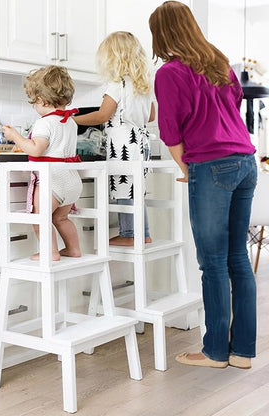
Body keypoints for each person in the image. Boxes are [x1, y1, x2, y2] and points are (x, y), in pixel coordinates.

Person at [150, 1, 257, 369]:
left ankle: (214, 351)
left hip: (211, 164)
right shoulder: (220, 64)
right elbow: (234, 109)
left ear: (161, 34)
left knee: (212, 263)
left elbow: (170, 131)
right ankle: (242, 351)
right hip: (245, 161)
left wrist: (187, 169)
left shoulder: (170, 73)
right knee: (238, 259)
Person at [74, 31, 156, 247]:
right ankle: (144, 233)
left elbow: (102, 115)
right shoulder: (143, 85)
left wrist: (72, 120)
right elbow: (152, 116)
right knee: (136, 189)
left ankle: (129, 234)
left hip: (122, 141)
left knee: (125, 189)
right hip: (140, 141)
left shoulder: (116, 84)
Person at [3, 65, 82, 262]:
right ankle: (73, 249)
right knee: (61, 218)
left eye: (34, 102)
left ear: (42, 99)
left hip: (51, 181)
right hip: (71, 182)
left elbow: (38, 149)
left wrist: (15, 137)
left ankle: (51, 252)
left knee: (40, 218)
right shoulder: (70, 121)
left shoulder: (44, 122)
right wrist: (24, 145)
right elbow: (53, 147)